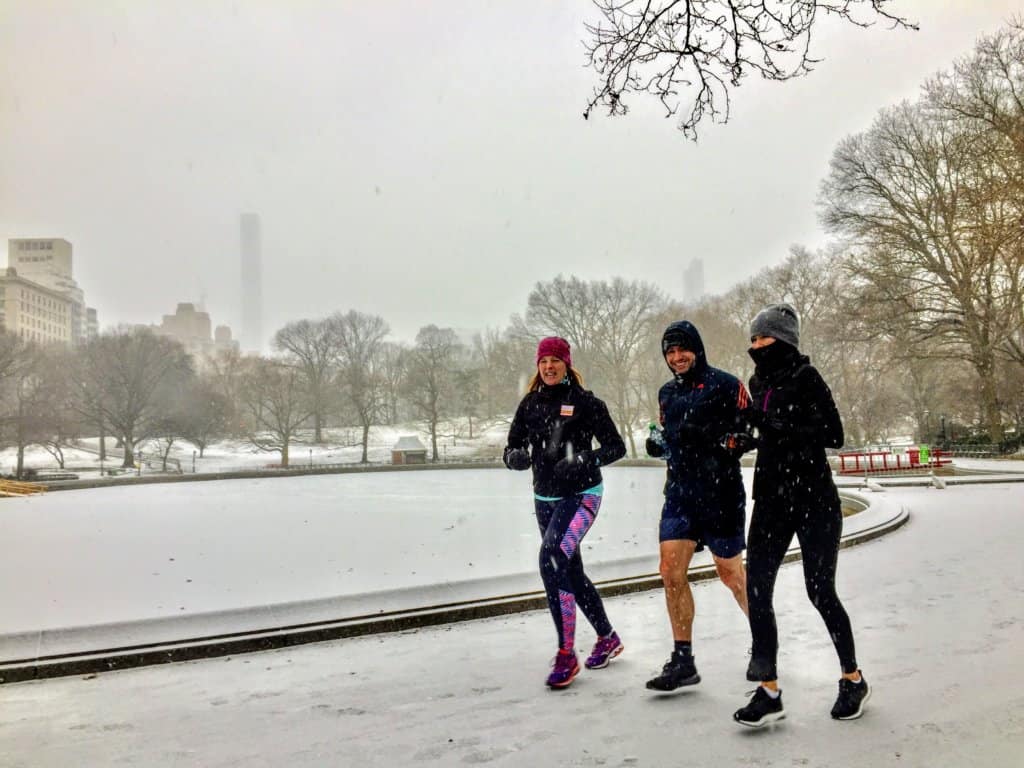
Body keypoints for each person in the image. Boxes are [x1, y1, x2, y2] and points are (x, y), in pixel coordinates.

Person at [733, 303, 870, 727]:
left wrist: (773, 423)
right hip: (771, 499)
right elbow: (766, 434)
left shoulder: (806, 377)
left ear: (784, 340)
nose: (756, 346)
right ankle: (768, 690)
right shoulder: (758, 380)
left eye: (763, 338)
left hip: (814, 501)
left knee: (819, 592)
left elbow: (834, 434)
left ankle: (853, 678)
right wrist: (744, 438)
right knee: (757, 588)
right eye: (753, 339)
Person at [503, 336, 627, 689]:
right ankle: (607, 638)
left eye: (555, 360)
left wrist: (586, 459)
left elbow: (615, 447)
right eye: (544, 361)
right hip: (544, 498)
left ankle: (566, 654)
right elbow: (513, 444)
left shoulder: (586, 403)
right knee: (569, 572)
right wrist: (513, 457)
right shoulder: (530, 404)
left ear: (567, 364)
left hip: (582, 495)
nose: (549, 366)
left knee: (553, 557)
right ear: (538, 365)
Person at [644, 321, 753, 692]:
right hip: (680, 495)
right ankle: (682, 659)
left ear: (697, 349)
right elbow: (670, 437)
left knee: (730, 574)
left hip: (720, 494)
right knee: (670, 571)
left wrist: (715, 439)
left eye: (682, 350)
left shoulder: (727, 385)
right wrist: (659, 445)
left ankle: (764, 641)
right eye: (669, 352)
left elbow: (748, 435)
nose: (676, 358)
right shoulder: (666, 394)